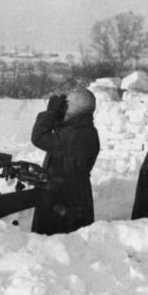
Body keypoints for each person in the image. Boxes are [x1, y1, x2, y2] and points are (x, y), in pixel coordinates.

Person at [30, 86, 100, 235]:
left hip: (66, 203)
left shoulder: (79, 134)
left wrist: (50, 113)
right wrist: (57, 116)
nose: (64, 109)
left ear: (76, 109)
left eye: (67, 105)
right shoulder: (81, 130)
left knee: (60, 247)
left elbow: (39, 137)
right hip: (67, 199)